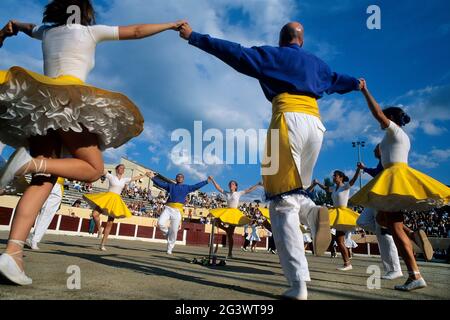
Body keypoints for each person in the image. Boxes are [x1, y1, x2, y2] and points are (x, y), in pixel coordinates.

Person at [0, 0, 186, 286]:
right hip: (70, 102)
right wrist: (170, 25)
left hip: (39, 105)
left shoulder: (46, 31)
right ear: (85, 13)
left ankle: (12, 253)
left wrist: (10, 28)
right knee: (94, 169)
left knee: (43, 182)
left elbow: (23, 27)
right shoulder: (89, 32)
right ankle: (31, 163)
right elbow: (136, 30)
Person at [179, 21, 363, 300]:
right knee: (296, 191)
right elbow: (339, 80)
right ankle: (312, 213)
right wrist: (356, 84)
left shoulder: (275, 56)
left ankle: (298, 284)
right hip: (316, 126)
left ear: (282, 39)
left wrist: (195, 37)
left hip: (287, 120)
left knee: (280, 203)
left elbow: (236, 54)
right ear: (302, 40)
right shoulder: (318, 64)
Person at [350, 80, 450, 291]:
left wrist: (365, 90)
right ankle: (412, 235)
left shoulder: (394, 131)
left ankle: (415, 275)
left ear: (392, 118)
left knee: (394, 228)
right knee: (382, 219)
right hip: (394, 175)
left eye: (386, 117)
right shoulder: (397, 135)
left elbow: (377, 113)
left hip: (395, 177)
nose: (382, 120)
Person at [356, 145, 403, 279]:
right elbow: (376, 173)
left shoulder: (387, 161)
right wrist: (364, 169)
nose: (373, 150)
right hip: (377, 200)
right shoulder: (381, 162)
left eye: (375, 148)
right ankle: (388, 229)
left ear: (382, 150)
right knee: (362, 221)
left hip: (383, 200)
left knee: (385, 237)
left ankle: (395, 269)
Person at [83, 164, 147, 251]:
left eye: (124, 168)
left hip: (116, 200)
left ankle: (102, 244)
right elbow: (103, 170)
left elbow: (134, 178)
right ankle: (99, 228)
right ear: (117, 169)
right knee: (94, 214)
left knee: (110, 223)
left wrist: (144, 175)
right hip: (107, 198)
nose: (122, 169)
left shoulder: (125, 179)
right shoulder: (111, 176)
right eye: (121, 168)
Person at [147, 172, 210, 255]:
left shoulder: (186, 187)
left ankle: (169, 249)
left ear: (183, 179)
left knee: (174, 230)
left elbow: (196, 186)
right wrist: (152, 178)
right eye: (178, 177)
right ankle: (168, 234)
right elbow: (161, 184)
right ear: (176, 179)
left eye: (181, 177)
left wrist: (206, 181)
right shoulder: (171, 185)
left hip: (177, 211)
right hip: (168, 208)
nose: (179, 178)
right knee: (160, 223)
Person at [312, 169, 361, 270]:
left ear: (341, 177)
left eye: (335, 176)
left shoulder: (345, 186)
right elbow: (325, 188)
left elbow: (354, 179)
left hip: (343, 214)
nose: (333, 177)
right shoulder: (334, 188)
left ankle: (347, 263)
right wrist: (317, 183)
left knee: (340, 241)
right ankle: (347, 263)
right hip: (335, 212)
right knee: (339, 241)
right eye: (333, 176)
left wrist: (358, 170)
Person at [209, 177, 262, 258]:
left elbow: (249, 189)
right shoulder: (227, 193)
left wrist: (257, 184)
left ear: (235, 187)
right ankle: (226, 229)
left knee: (230, 235)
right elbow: (218, 188)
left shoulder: (238, 193)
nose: (231, 185)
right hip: (226, 211)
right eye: (230, 184)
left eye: (233, 184)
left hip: (234, 214)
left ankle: (230, 253)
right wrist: (212, 180)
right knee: (215, 220)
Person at [25, 178, 65, 250]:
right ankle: (19, 236)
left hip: (58, 183)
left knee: (47, 215)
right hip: (44, 179)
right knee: (31, 208)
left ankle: (34, 239)